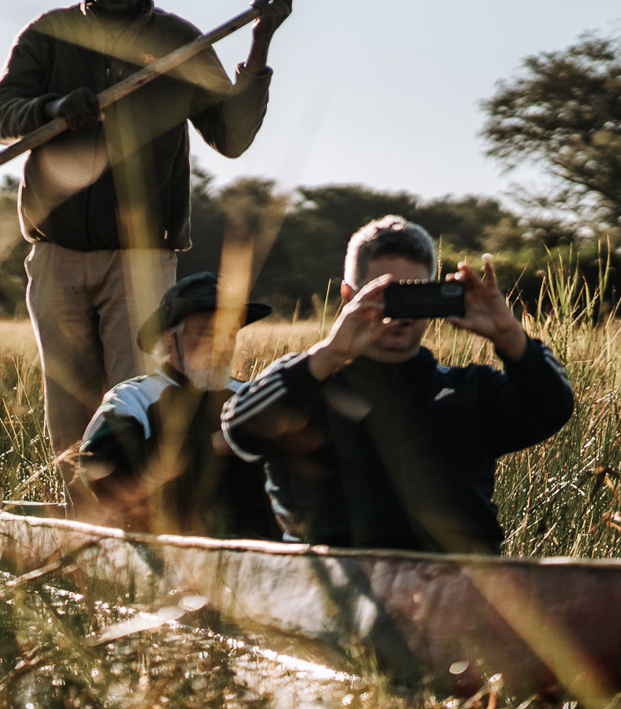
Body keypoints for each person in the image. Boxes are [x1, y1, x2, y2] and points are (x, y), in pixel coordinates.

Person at [0, 0, 293, 498]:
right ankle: (80, 536)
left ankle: (149, 528)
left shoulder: (180, 40)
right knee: (70, 416)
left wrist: (260, 41)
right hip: (56, 254)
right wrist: (54, 107)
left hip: (142, 259)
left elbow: (231, 135)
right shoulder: (49, 35)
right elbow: (0, 117)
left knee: (139, 401)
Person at [222, 216, 576, 554]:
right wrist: (330, 354)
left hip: (460, 593)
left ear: (436, 296)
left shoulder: (471, 390)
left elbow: (554, 408)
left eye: (416, 295)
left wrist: (509, 335)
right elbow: (239, 427)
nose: (401, 315)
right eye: (387, 295)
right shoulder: (305, 384)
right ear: (349, 296)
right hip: (331, 592)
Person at [78, 273, 278, 538]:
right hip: (164, 553)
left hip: (262, 554)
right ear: (170, 337)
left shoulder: (253, 395)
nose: (222, 346)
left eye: (230, 334)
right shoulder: (132, 398)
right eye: (207, 333)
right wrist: (214, 446)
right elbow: (103, 477)